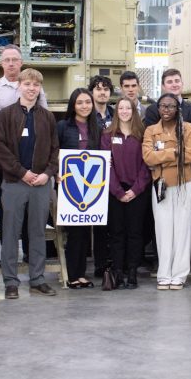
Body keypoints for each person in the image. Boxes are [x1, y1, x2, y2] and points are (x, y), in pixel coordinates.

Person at [0, 68, 59, 299]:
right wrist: (22, 173)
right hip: (14, 182)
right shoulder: (6, 115)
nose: (32, 89)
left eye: (36, 85)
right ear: (19, 85)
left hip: (40, 183)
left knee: (37, 231)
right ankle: (10, 281)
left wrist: (47, 173)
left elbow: (54, 150)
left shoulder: (47, 116)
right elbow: (0, 149)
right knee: (10, 232)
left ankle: (37, 279)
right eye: (28, 84)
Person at [0, 45, 50, 261]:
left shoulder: (35, 89)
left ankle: (30, 252)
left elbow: (45, 123)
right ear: (1, 63)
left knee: (33, 212)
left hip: (33, 159)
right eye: (7, 60)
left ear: (21, 62)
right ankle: (7, 254)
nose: (11, 63)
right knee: (7, 210)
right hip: (7, 162)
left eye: (15, 59)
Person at [142, 92, 191, 289]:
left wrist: (162, 155)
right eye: (163, 106)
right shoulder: (150, 130)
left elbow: (189, 156)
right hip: (160, 185)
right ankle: (164, 274)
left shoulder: (188, 128)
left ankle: (179, 274)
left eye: (171, 106)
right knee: (163, 230)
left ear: (177, 109)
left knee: (182, 230)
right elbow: (148, 157)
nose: (167, 110)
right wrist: (174, 151)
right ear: (158, 108)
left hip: (185, 184)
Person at [102, 97, 151, 289]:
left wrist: (135, 190)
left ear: (134, 111)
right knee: (117, 233)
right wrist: (118, 191)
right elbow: (107, 165)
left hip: (137, 192)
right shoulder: (107, 135)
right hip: (115, 192)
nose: (124, 111)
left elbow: (146, 165)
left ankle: (132, 271)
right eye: (120, 108)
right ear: (116, 112)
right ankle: (118, 272)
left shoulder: (142, 134)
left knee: (135, 233)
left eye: (127, 108)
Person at [57, 88, 104, 289]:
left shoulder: (98, 127)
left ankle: (81, 273)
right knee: (74, 231)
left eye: (87, 102)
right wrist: (55, 173)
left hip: (91, 185)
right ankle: (72, 274)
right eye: (80, 103)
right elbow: (53, 151)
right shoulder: (62, 126)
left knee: (86, 230)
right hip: (69, 185)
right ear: (73, 105)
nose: (84, 106)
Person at [87, 75, 115, 277]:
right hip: (94, 173)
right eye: (98, 89)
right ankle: (99, 264)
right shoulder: (87, 116)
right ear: (92, 92)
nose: (102, 92)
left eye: (106, 89)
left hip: (116, 174)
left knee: (113, 221)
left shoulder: (116, 114)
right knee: (98, 222)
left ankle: (112, 262)